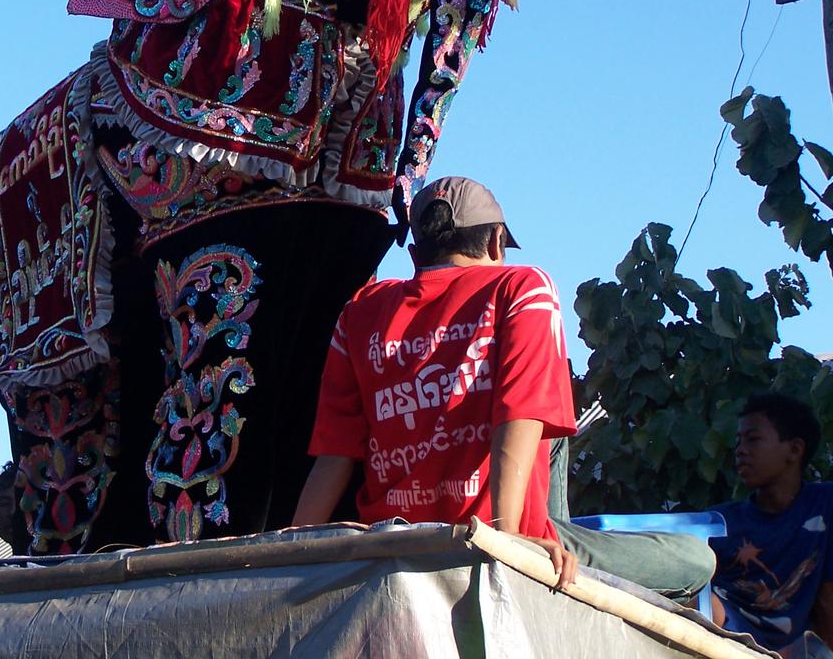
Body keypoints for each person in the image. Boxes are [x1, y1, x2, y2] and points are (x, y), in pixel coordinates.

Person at [293, 176, 715, 601]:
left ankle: (548, 532)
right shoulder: (520, 287)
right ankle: (552, 554)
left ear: (416, 254)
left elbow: (335, 455)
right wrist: (509, 541)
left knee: (552, 439)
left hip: (397, 536)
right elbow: (520, 413)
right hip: (486, 534)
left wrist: (292, 551)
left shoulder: (361, 312)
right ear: (497, 242)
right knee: (697, 560)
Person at [710, 393, 833, 653]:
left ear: (794, 450)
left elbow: (827, 602)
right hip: (721, 641)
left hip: (792, 648)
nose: (740, 450)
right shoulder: (719, 522)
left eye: (753, 439)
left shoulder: (825, 505)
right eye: (738, 441)